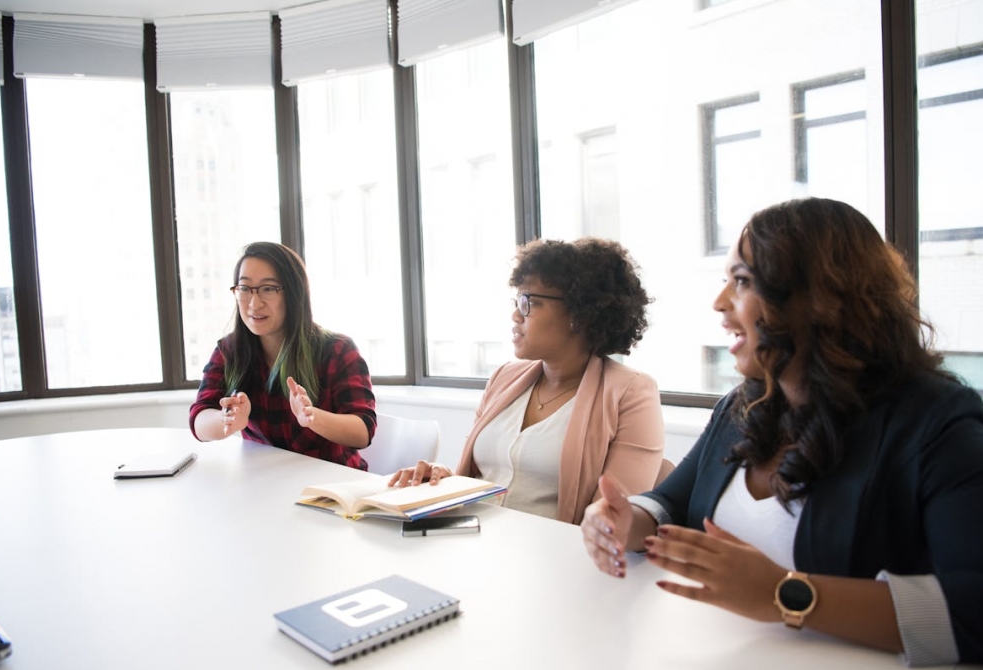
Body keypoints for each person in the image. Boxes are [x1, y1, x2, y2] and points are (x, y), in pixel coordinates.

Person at [580, 198, 983, 665]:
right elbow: (672, 502)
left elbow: (973, 609)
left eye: (743, 282)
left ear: (821, 299)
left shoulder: (938, 423)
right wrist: (623, 522)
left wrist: (784, 595)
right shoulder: (745, 404)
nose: (720, 302)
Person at [390, 237, 665, 525]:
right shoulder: (503, 378)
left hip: (553, 559)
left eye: (528, 302)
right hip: (470, 542)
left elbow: (613, 520)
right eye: (516, 301)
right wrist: (443, 480)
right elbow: (482, 478)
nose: (515, 315)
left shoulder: (631, 392)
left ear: (579, 314)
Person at [190, 242, 376, 469]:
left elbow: (363, 432)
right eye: (245, 288)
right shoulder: (229, 351)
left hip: (331, 488)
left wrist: (312, 417)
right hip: (266, 484)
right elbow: (199, 420)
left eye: (268, 289)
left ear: (294, 294)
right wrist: (226, 420)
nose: (254, 303)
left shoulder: (337, 350)